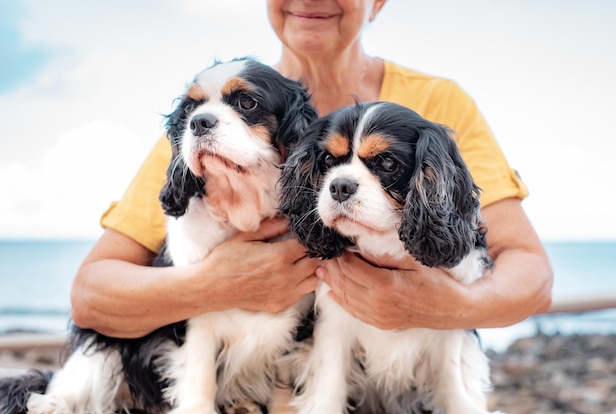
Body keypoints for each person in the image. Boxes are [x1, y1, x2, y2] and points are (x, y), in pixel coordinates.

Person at [70, 0, 553, 339]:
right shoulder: (213, 122)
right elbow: (91, 296)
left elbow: (532, 277)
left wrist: (447, 306)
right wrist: (210, 285)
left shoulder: (437, 105)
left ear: (378, 2)